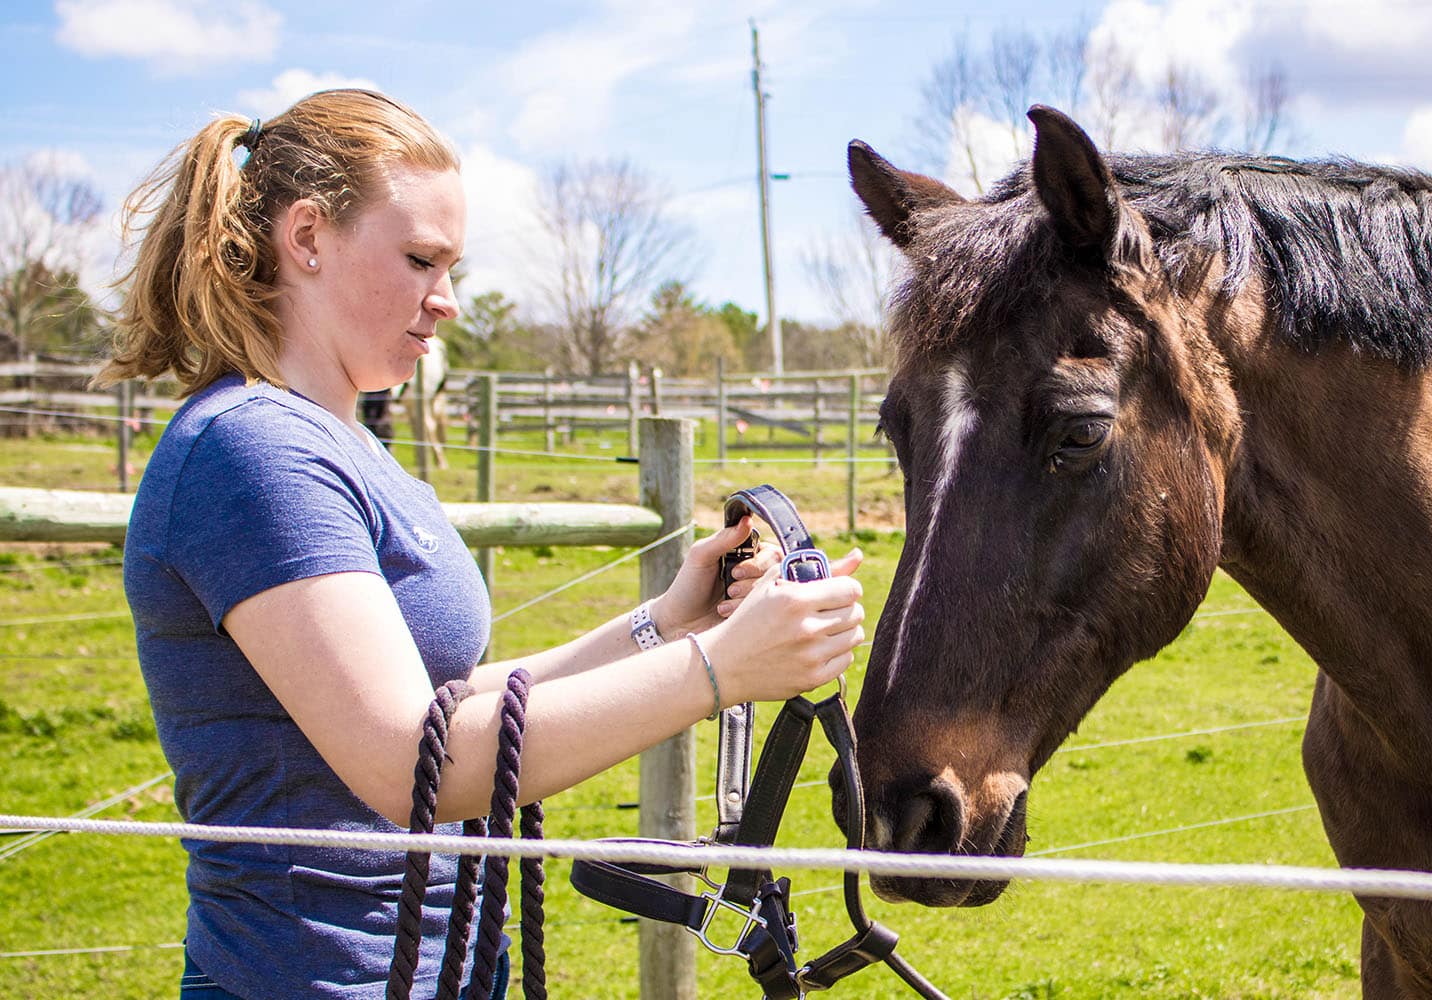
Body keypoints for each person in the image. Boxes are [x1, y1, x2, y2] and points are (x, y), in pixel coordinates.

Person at [94, 89, 865, 1000]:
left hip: (434, 969)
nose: (447, 300)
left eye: (451, 264)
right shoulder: (249, 452)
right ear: (305, 238)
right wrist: (720, 669)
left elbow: (448, 706)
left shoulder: (342, 449)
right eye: (420, 259)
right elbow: (406, 762)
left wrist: (668, 623)